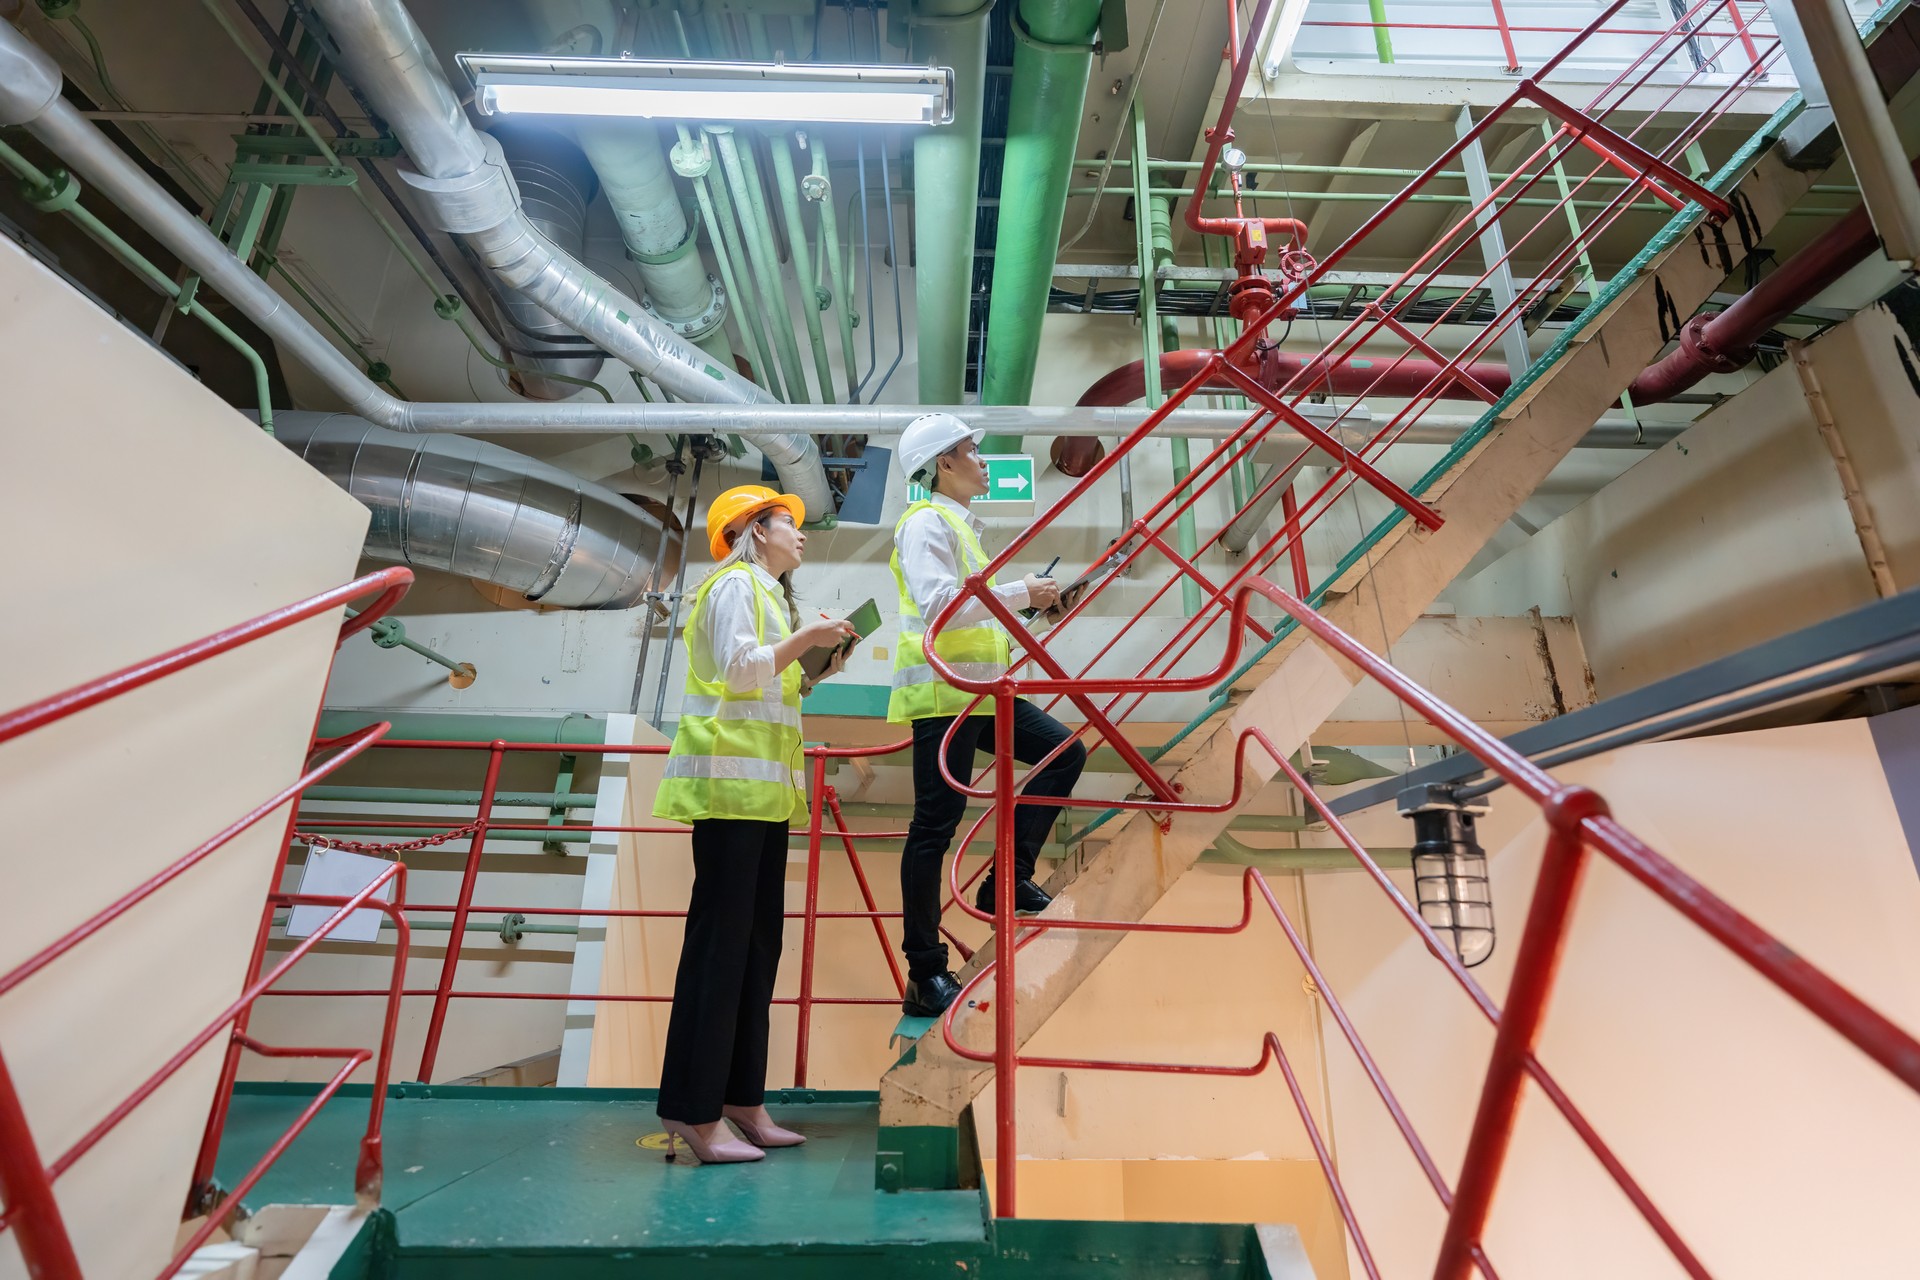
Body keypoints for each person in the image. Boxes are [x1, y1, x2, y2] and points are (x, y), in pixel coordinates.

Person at [651, 484, 857, 1165]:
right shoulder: (735, 585)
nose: (799, 534)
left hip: (763, 801)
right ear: (753, 530)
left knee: (755, 952)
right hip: (729, 797)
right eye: (787, 524)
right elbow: (741, 675)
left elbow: (771, 686)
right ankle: (693, 1113)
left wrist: (819, 663)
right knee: (719, 955)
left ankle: (742, 1101)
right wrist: (808, 638)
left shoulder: (769, 596)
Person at [888, 413, 1088, 1017]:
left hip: (983, 692)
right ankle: (925, 972)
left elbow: (977, 614)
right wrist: (1024, 592)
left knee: (1064, 751)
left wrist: (1034, 606)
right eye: (973, 451)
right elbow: (941, 605)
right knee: (934, 826)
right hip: (946, 696)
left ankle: (1007, 878)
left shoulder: (963, 527)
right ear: (943, 464)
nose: (983, 460)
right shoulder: (925, 521)